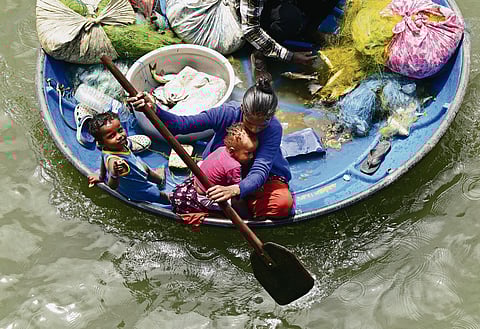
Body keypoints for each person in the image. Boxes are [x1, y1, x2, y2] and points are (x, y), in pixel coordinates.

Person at [128, 78, 294, 220]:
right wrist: (155, 109)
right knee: (198, 200)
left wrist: (236, 189)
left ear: (270, 117)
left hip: (259, 178)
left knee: (280, 205)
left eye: (261, 125)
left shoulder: (273, 128)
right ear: (242, 109)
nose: (255, 129)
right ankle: (236, 209)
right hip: (224, 171)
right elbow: (181, 125)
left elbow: (260, 169)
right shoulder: (227, 113)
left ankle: (246, 208)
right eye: (249, 122)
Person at [170, 122, 257, 218]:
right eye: (248, 153)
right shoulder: (234, 166)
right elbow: (238, 190)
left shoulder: (222, 149)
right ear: (232, 151)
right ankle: (245, 218)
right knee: (238, 200)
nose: (252, 156)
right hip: (206, 197)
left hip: (198, 183)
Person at [240, 0, 340, 80]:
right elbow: (251, 30)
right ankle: (259, 54)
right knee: (291, 19)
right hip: (260, 10)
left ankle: (310, 30)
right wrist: (289, 56)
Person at [87, 112, 168, 204]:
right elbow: (112, 186)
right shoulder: (114, 161)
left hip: (137, 169)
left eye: (120, 130)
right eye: (111, 136)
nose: (119, 136)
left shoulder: (108, 148)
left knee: (146, 170)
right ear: (101, 142)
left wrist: (101, 177)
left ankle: (160, 180)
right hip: (139, 188)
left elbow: (102, 165)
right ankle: (172, 204)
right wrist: (114, 173)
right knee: (159, 195)